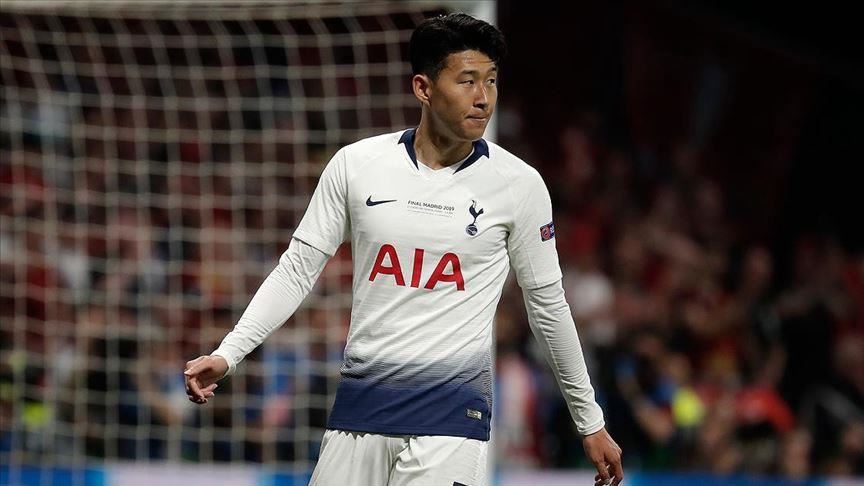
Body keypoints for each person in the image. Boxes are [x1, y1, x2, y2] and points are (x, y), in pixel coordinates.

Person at [184, 12, 624, 486]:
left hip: (452, 422)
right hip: (360, 413)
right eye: (467, 81)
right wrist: (230, 353)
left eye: (491, 81)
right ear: (423, 88)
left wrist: (589, 420)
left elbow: (548, 306)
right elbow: (297, 270)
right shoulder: (357, 165)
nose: (483, 98)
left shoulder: (519, 185)